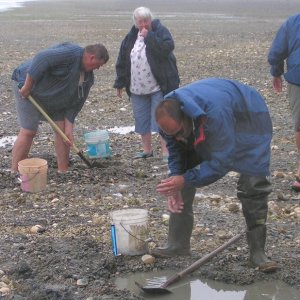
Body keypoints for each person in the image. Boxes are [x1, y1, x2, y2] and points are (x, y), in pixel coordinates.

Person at [152, 78, 279, 273]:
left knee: (253, 183)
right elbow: (176, 150)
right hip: (209, 117)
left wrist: (186, 178)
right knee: (180, 177)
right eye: (170, 134)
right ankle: (177, 244)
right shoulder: (168, 113)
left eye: (178, 132)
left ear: (186, 117)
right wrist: (177, 177)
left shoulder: (215, 114)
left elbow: (223, 160)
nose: (176, 137)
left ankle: (257, 253)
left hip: (250, 117)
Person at [11, 42, 109, 173]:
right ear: (91, 57)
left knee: (63, 132)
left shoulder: (87, 78)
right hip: (27, 88)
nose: (97, 69)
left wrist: (69, 127)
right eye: (98, 65)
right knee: (29, 131)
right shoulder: (69, 54)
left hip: (54, 96)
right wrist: (27, 86)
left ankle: (63, 171)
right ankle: (15, 171)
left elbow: (75, 103)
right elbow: (42, 58)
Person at [113, 6, 180, 161]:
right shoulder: (131, 36)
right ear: (136, 22)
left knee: (161, 118)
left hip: (158, 86)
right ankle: (147, 150)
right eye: (140, 21)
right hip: (136, 87)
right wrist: (120, 82)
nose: (143, 24)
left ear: (150, 19)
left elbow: (166, 48)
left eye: (146, 20)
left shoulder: (160, 30)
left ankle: (166, 152)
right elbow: (122, 59)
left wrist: (149, 37)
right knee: (141, 119)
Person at [268, 13, 300, 191]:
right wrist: (276, 70)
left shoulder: (292, 22)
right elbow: (278, 51)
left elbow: (277, 51)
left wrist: (276, 71)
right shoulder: (293, 22)